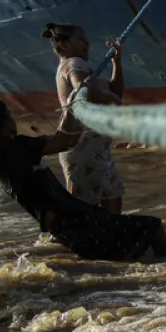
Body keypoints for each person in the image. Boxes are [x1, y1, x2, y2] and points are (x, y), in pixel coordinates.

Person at [0, 100, 166, 261]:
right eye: (10, 116)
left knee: (131, 249)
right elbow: (65, 141)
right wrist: (72, 106)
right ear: (4, 123)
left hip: (69, 227)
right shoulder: (12, 148)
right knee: (153, 227)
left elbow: (62, 140)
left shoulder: (0, 153)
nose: (14, 120)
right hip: (73, 224)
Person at [42, 22, 127, 214]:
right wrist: (110, 100)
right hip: (83, 149)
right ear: (64, 45)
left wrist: (117, 63)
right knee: (86, 211)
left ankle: (110, 241)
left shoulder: (82, 67)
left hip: (97, 150)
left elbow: (115, 93)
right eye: (81, 39)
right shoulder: (73, 63)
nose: (87, 43)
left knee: (110, 201)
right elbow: (81, 85)